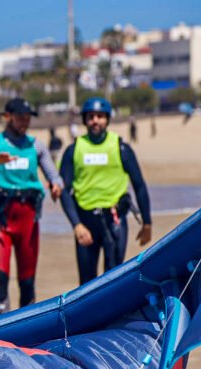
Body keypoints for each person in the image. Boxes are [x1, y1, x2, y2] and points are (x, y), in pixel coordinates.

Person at [0, 98, 63, 315]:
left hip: (28, 220)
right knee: (0, 275)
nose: (24, 122)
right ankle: (2, 321)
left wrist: (57, 186)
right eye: (20, 117)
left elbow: (54, 175)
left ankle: (25, 322)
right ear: (7, 117)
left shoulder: (36, 146)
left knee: (27, 279)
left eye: (27, 118)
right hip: (0, 218)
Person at [59, 97, 152, 285]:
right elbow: (64, 190)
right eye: (91, 116)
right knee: (86, 284)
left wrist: (147, 223)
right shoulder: (73, 150)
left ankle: (112, 315)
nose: (95, 121)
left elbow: (139, 185)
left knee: (113, 280)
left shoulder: (121, 148)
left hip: (114, 221)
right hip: (85, 222)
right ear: (85, 119)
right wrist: (76, 225)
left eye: (100, 116)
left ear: (107, 119)